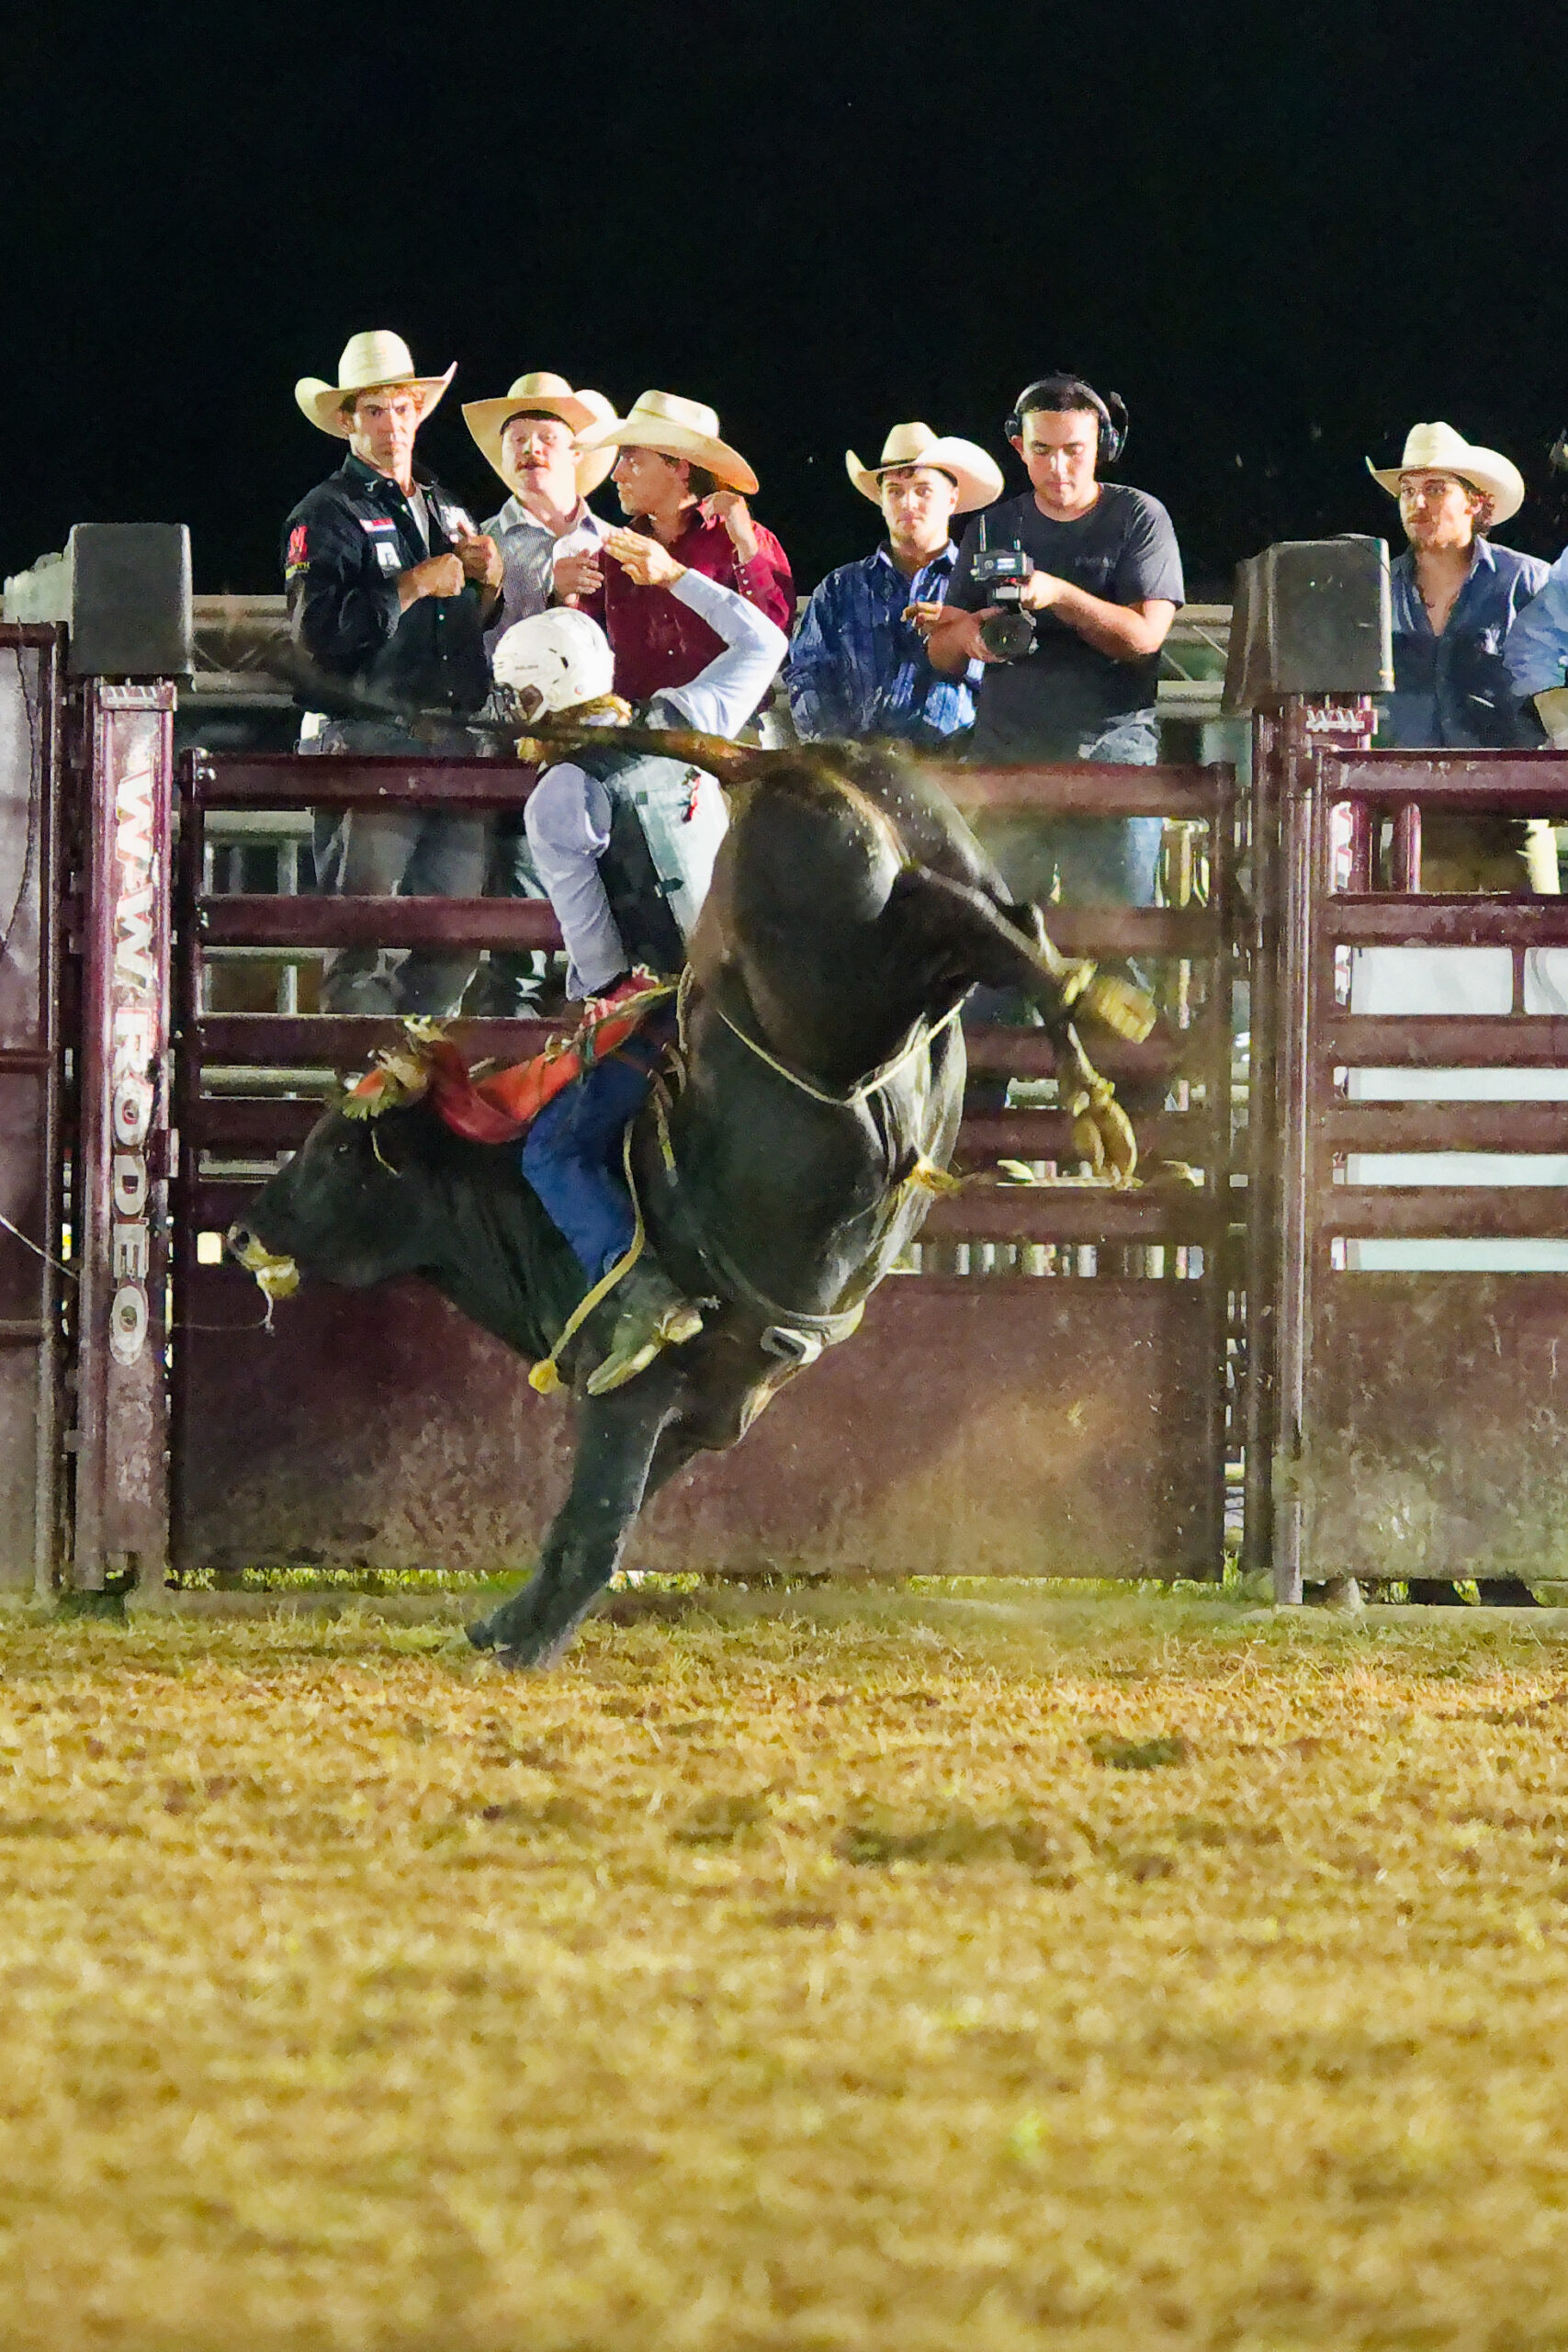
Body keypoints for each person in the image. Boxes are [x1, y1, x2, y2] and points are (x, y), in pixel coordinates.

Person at [490, 551, 788, 1392]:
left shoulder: (559, 795)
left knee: (553, 1150)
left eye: (518, 695)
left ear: (541, 691)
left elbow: (595, 954)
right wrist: (671, 576)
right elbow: (763, 640)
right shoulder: (690, 714)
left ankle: (642, 1291)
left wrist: (591, 1019)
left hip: (664, 1009)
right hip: (752, 987)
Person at [285, 330, 504, 1015]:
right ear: (348, 421)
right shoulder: (324, 512)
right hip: (372, 740)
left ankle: (401, 1071)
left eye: (402, 410)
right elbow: (316, 634)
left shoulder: (445, 505)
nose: (391, 426)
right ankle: (369, 1083)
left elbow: (468, 623)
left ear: (418, 413)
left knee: (457, 934)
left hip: (456, 741)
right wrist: (409, 587)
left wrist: (489, 587)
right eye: (374, 412)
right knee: (362, 932)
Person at [923, 372, 1184, 912]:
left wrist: (1056, 594)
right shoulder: (991, 527)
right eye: (1042, 450)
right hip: (1006, 770)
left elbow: (1144, 637)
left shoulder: (1139, 517)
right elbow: (940, 652)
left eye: (1074, 451)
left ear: (1104, 449)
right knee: (999, 952)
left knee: (1118, 951)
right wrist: (969, 637)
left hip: (1112, 768)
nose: (1058, 467)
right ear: (1018, 446)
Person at [461, 371, 618, 1013]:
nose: (531, 451)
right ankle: (515, 1084)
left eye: (546, 437)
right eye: (518, 439)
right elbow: (467, 660)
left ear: (577, 455)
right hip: (513, 766)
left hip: (604, 768)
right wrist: (541, 596)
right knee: (519, 941)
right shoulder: (476, 547)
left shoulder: (619, 544)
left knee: (609, 934)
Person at [1367, 421, 1553, 890]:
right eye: (1407, 491)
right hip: (1414, 818)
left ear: (1475, 502)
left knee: (1535, 954)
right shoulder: (1375, 589)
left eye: (1434, 489)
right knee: (1416, 955)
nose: (1417, 503)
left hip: (1513, 812)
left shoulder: (1526, 582)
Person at [784, 423, 1002, 745]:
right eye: (895, 492)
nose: (908, 503)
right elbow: (806, 674)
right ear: (882, 502)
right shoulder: (838, 588)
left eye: (923, 490)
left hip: (959, 771)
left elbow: (1011, 682)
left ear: (952, 499)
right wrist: (835, 752)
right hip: (854, 771)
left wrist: (962, 640)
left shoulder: (983, 586)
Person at [570, 390, 793, 704]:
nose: (616, 474)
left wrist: (746, 548)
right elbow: (579, 647)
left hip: (727, 735)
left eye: (631, 459)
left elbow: (772, 642)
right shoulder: (614, 551)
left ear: (680, 468)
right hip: (638, 734)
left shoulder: (745, 539)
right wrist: (565, 596)